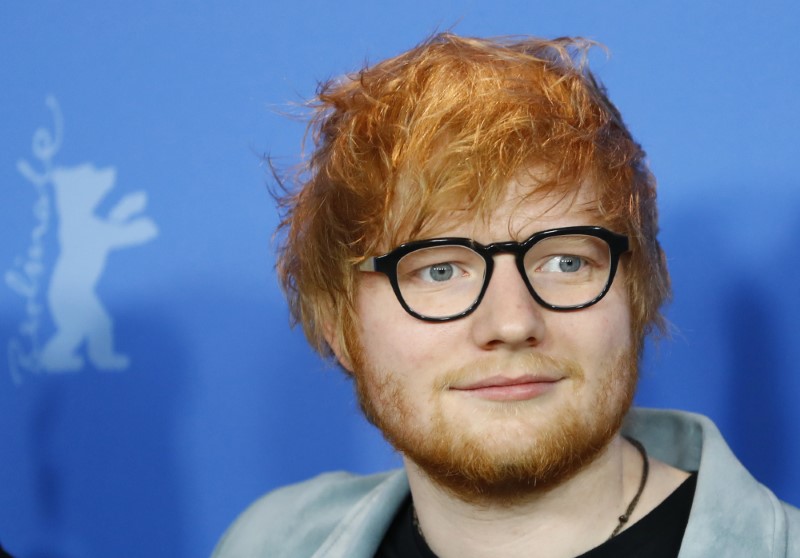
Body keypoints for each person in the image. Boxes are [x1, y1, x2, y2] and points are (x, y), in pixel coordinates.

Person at [212, 33, 800, 557]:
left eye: (566, 261)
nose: (513, 321)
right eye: (439, 271)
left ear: (639, 295)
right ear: (340, 325)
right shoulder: (272, 542)